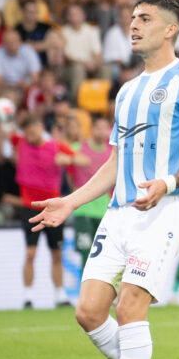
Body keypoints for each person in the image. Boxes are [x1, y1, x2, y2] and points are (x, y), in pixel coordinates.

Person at [29, 0, 179, 359]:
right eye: (132, 17)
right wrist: (72, 202)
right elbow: (115, 163)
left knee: (130, 305)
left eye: (145, 18)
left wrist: (169, 183)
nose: (133, 24)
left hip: (163, 211)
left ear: (170, 29)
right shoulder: (127, 91)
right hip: (118, 216)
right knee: (88, 312)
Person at [14, 115, 89, 308]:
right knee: (30, 253)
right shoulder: (21, 144)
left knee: (56, 253)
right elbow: (2, 134)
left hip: (53, 207)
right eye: (27, 132)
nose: (30, 135)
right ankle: (28, 296)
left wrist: (68, 158)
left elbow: (84, 160)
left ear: (40, 127)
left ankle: (59, 295)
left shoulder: (56, 146)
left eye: (32, 130)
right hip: (30, 207)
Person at [70, 115, 113, 269]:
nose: (102, 132)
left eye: (105, 128)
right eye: (98, 128)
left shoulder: (111, 153)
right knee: (85, 252)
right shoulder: (78, 148)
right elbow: (62, 158)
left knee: (103, 254)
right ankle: (85, 292)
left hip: (103, 210)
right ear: (92, 129)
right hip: (83, 209)